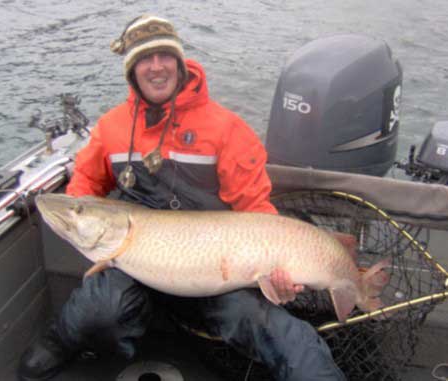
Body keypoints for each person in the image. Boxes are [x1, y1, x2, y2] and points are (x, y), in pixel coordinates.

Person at [18, 14, 346, 381]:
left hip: (217, 277)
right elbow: (85, 187)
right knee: (96, 308)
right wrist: (79, 213)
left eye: (165, 56)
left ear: (179, 63)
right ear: (131, 70)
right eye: (145, 58)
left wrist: (277, 270)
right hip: (135, 267)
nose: (156, 67)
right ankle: (58, 343)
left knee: (276, 332)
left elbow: (256, 210)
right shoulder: (111, 128)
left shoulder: (226, 129)